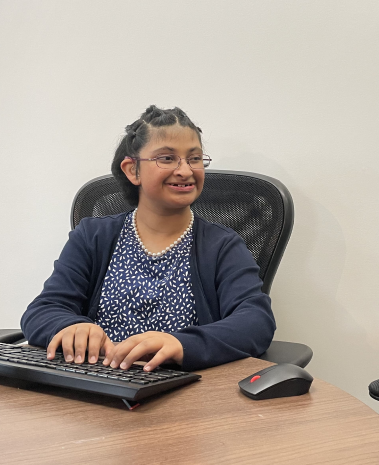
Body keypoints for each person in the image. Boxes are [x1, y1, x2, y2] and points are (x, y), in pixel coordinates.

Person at [21, 105, 276, 372]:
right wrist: (69, 327)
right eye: (167, 158)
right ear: (133, 170)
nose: (185, 170)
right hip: (97, 386)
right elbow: (43, 310)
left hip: (184, 390)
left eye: (195, 158)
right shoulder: (92, 237)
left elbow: (256, 321)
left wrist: (181, 344)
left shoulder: (222, 245)